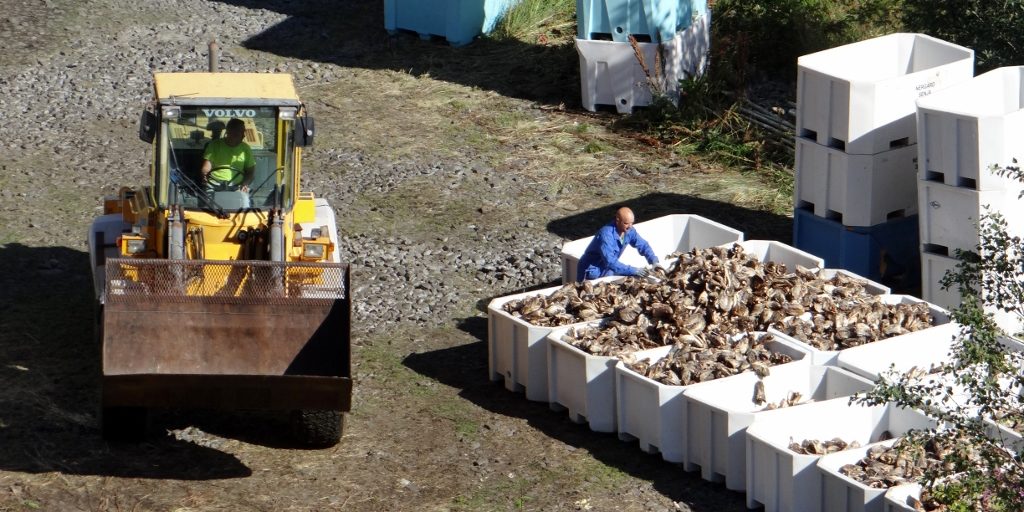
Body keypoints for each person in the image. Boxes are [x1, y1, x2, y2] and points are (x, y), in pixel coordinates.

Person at [576, 206, 659, 281]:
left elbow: (643, 245)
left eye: (631, 223)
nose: (630, 226)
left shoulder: (629, 230)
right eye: (626, 223)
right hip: (591, 271)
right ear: (618, 220)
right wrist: (634, 270)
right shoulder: (606, 235)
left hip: (608, 270)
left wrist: (654, 261)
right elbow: (610, 261)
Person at [201, 118, 254, 193]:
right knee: (208, 201)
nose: (243, 135)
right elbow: (206, 167)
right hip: (214, 184)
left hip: (237, 186)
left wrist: (245, 183)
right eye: (240, 132)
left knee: (244, 202)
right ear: (229, 132)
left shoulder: (245, 148)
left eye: (243, 132)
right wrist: (204, 174)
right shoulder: (214, 145)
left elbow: (250, 172)